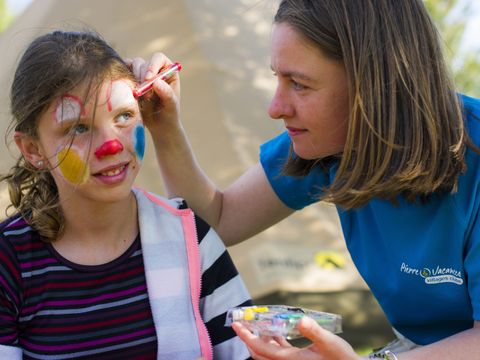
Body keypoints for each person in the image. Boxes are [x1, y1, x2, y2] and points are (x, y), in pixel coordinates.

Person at [130, 0, 480, 359]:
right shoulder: (328, 144)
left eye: (298, 84)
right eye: (277, 78)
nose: (275, 107)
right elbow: (217, 219)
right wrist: (164, 125)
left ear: (372, 85)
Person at [0, 30, 253, 360]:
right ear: (33, 149)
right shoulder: (9, 262)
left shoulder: (193, 238)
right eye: (78, 127)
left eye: (123, 116)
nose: (112, 145)